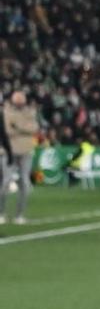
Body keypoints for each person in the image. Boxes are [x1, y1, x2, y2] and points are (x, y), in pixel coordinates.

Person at [3, 91, 39, 223]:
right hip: (9, 150)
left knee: (25, 182)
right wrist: (25, 128)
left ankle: (19, 215)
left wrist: (17, 126)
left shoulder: (30, 112)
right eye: (17, 101)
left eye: (21, 101)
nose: (19, 103)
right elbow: (7, 130)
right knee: (6, 181)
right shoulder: (6, 112)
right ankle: (1, 213)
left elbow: (35, 127)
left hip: (26, 150)